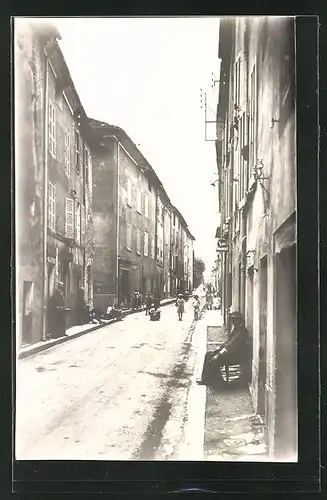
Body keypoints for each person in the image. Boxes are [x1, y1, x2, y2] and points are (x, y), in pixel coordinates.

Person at [197, 311, 251, 386]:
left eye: (235, 320)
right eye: (233, 320)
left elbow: (232, 345)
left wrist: (218, 354)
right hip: (231, 353)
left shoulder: (241, 331)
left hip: (237, 355)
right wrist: (218, 349)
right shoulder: (236, 329)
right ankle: (206, 380)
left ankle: (219, 382)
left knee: (215, 360)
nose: (233, 322)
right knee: (208, 354)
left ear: (240, 320)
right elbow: (228, 342)